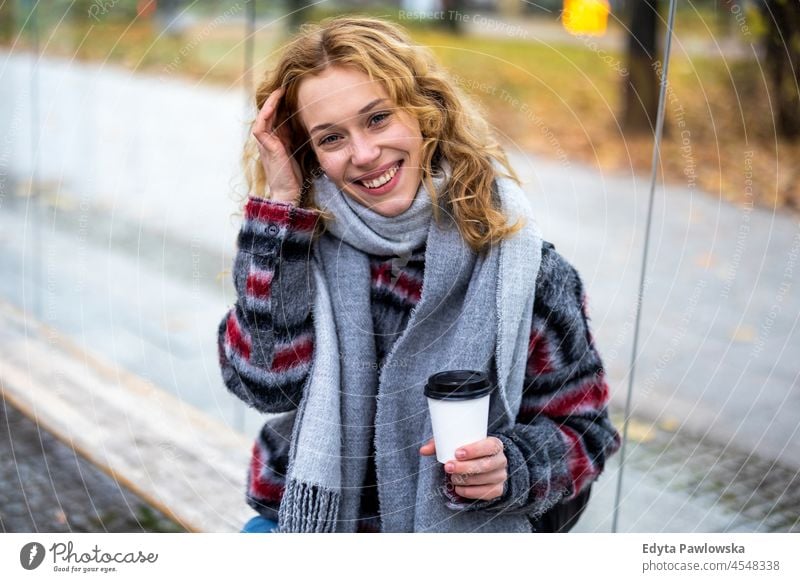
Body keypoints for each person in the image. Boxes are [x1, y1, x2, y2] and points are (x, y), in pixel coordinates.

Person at [217, 15, 621, 533]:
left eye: (378, 118)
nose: (364, 154)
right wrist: (278, 206)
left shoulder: (525, 271)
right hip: (306, 527)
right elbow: (263, 384)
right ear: (309, 154)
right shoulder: (299, 246)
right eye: (331, 138)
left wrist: (511, 466)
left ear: (424, 111)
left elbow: (586, 431)